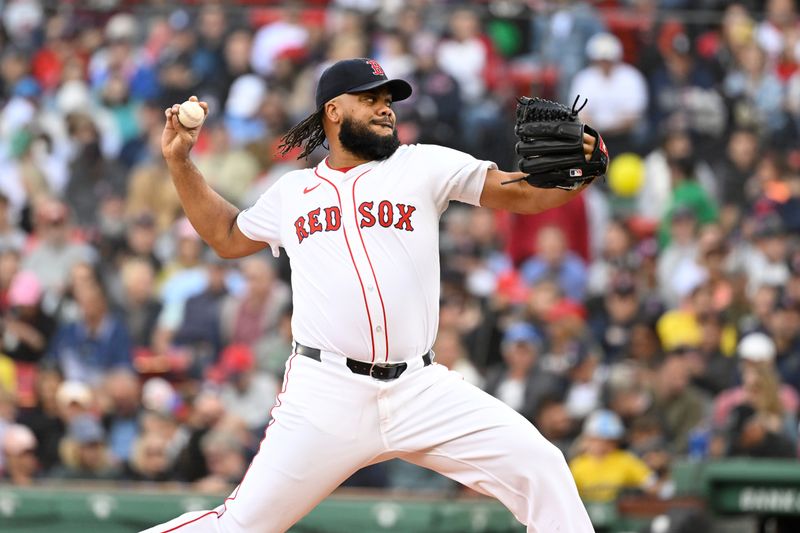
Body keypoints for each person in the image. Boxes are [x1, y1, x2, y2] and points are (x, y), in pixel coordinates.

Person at [148, 58, 599, 533]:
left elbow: (525, 194)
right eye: (370, 99)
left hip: (420, 388)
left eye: (388, 100)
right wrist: (179, 161)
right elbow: (225, 235)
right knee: (240, 525)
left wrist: (581, 171)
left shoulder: (422, 164)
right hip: (326, 393)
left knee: (542, 466)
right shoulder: (293, 193)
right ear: (333, 111)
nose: (386, 109)